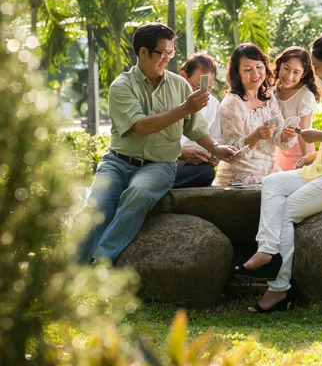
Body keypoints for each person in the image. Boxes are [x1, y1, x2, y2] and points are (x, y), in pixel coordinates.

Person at [234, 34, 322, 313]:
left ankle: (279, 290)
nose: (316, 72)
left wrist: (318, 136)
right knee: (272, 182)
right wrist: (316, 152)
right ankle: (266, 251)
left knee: (287, 211)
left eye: (317, 65)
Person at [75, 23, 236, 264]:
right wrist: (184, 108)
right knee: (96, 207)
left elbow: (195, 128)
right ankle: (70, 271)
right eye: (163, 53)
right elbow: (141, 127)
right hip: (117, 162)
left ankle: (102, 259)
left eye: (171, 54)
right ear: (143, 53)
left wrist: (216, 148)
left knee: (138, 193)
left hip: (159, 165)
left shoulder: (179, 85)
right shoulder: (121, 87)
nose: (167, 59)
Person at [213, 43, 297, 186]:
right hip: (241, 175)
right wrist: (255, 136)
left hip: (268, 170)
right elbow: (230, 153)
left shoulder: (269, 100)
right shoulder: (232, 104)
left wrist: (285, 135)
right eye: (247, 69)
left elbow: (278, 136)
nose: (255, 74)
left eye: (259, 67)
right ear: (237, 73)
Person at [174, 52, 222, 188]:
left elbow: (216, 140)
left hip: (192, 166)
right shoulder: (169, 97)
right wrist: (181, 154)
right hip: (166, 160)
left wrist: (214, 155)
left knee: (206, 172)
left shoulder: (213, 105)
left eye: (208, 89)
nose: (202, 94)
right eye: (196, 87)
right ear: (183, 76)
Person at [273, 47, 322, 171]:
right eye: (286, 69)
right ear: (280, 66)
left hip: (299, 151)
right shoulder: (273, 92)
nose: (289, 76)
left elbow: (303, 134)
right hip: (277, 150)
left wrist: (306, 164)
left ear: (304, 74)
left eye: (296, 72)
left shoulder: (304, 96)